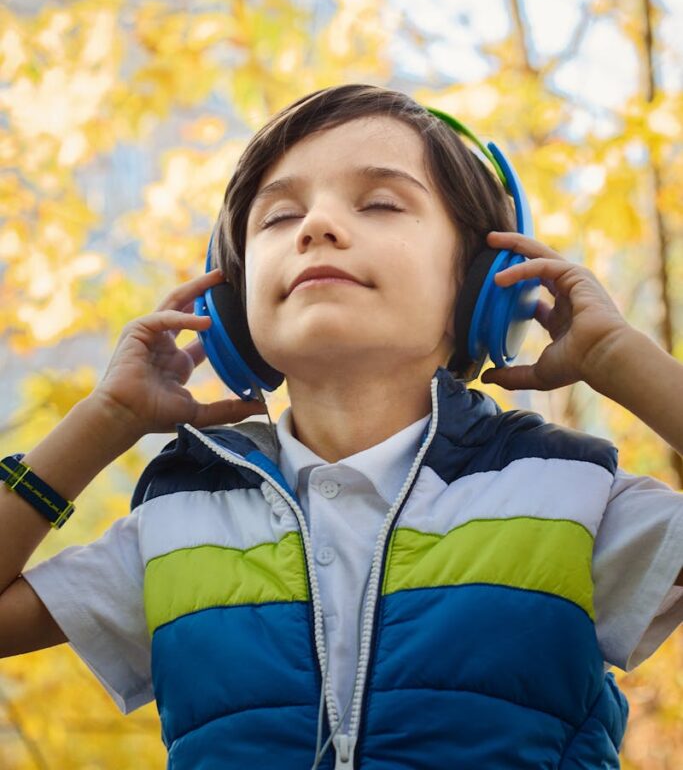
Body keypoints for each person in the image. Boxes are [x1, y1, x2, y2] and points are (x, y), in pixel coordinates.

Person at [1, 83, 681, 770]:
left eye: (381, 202)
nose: (314, 226)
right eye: (277, 217)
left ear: (486, 282)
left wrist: (619, 360)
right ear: (231, 302)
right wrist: (104, 420)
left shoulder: (569, 496)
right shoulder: (178, 524)